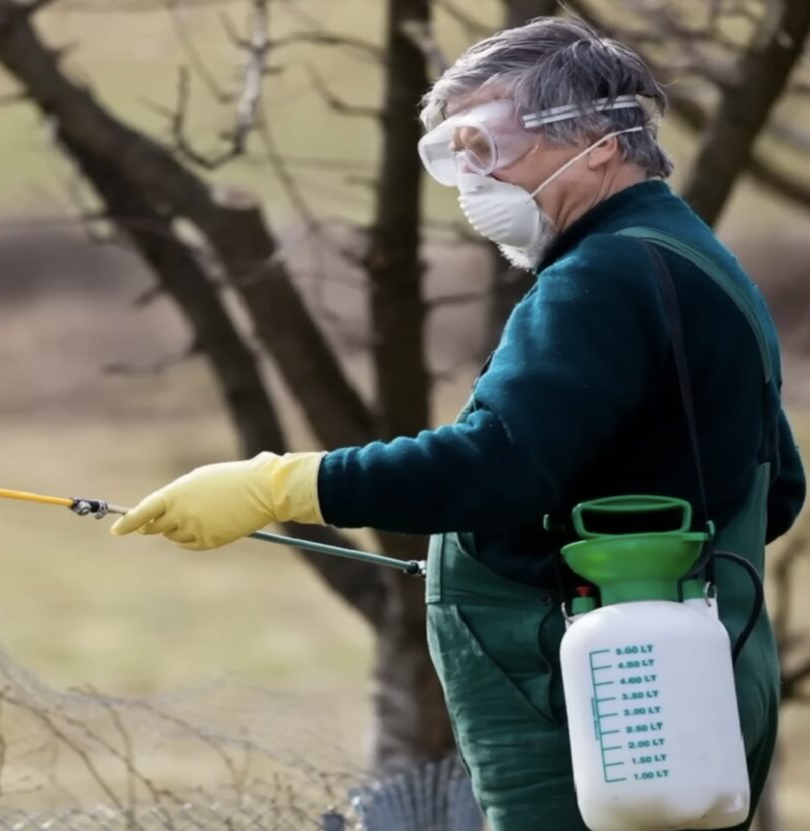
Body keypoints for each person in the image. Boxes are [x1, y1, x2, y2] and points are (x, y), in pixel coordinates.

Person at [110, 16, 806, 831]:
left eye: (490, 142)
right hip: (691, 687)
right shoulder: (688, 257)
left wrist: (284, 484)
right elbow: (777, 488)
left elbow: (496, 465)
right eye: (457, 154)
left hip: (604, 705)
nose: (475, 176)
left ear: (604, 140)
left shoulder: (601, 277)